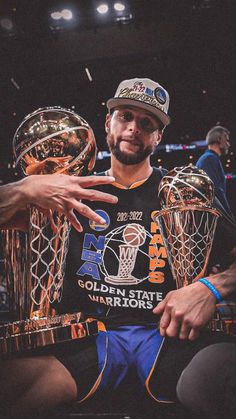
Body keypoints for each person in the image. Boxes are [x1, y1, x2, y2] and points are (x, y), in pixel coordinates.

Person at [0, 77, 236, 419]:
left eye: (146, 123)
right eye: (125, 116)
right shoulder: (62, 188)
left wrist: (212, 287)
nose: (134, 128)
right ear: (107, 123)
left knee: (220, 380)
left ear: (158, 137)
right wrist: (23, 189)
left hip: (168, 336)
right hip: (87, 338)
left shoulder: (184, 193)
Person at [196, 125, 234, 219]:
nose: (228, 144)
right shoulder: (209, 159)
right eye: (227, 140)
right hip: (213, 218)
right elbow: (215, 192)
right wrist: (229, 216)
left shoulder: (209, 158)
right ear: (219, 139)